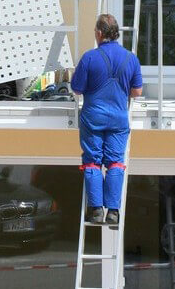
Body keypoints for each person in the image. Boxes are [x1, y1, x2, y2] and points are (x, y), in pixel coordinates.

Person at [71, 14, 143, 224]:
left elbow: (76, 88)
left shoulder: (89, 58)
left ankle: (95, 211)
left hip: (93, 117)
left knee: (93, 162)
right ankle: (113, 211)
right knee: (115, 163)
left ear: (100, 33)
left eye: (95, 32)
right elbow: (137, 92)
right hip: (118, 119)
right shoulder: (131, 58)